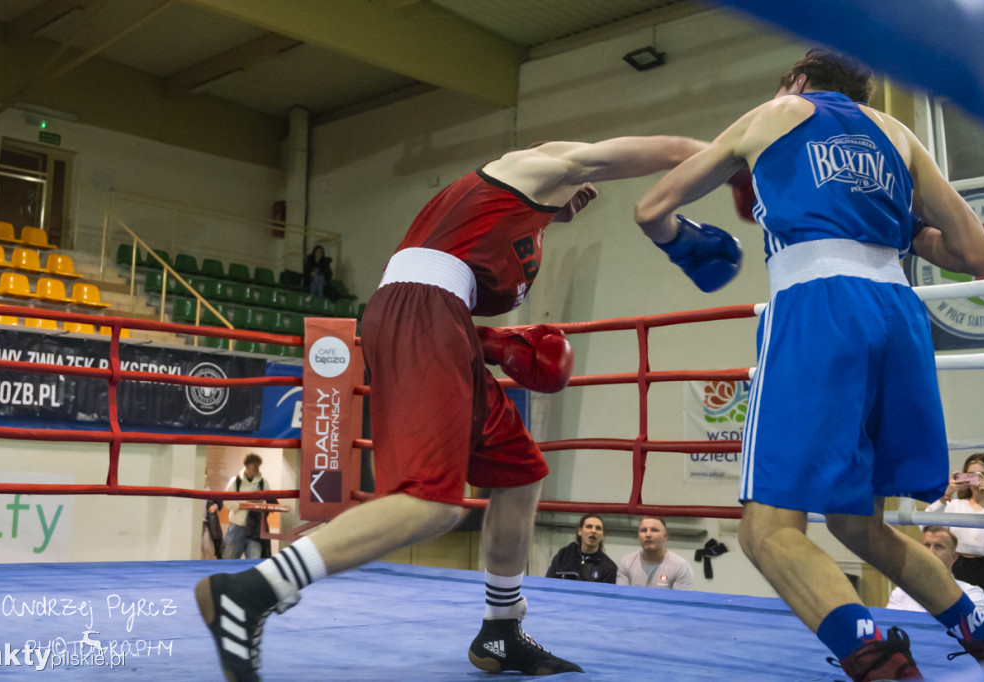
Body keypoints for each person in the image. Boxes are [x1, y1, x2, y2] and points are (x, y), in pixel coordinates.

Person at [196, 132, 708, 681]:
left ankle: (501, 628)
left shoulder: (521, 223)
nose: (585, 191)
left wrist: (495, 341)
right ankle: (253, 590)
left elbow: (459, 280)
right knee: (433, 504)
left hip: (444, 324)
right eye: (577, 184)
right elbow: (632, 152)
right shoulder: (530, 167)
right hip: (423, 314)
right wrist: (731, 157)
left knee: (520, 472)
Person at [633, 49, 984, 681]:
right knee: (860, 524)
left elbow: (651, 206)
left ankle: (876, 657)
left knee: (765, 532)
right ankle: (977, 627)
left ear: (798, 82)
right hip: (900, 318)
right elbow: (972, 251)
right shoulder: (897, 134)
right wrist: (904, 230)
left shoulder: (777, 111)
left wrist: (688, 244)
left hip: (819, 306)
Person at [926, 453, 984, 594]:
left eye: (983, 474)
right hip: (958, 566)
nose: (977, 480)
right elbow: (926, 527)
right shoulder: (955, 505)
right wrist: (945, 496)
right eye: (971, 475)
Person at [887, 526, 984, 612]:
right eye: (926, 545)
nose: (931, 552)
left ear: (954, 557)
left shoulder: (972, 595)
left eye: (939, 547)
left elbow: (973, 633)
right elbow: (890, 628)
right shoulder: (901, 593)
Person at [615, 516, 693, 589]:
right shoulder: (626, 562)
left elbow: (681, 602)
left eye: (654, 530)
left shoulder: (681, 567)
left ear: (665, 537)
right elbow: (621, 598)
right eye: (643, 530)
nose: (648, 535)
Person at [222, 453, 269, 560]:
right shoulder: (235, 482)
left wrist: (259, 504)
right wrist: (245, 504)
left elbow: (268, 503)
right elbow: (226, 502)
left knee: (254, 562)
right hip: (237, 526)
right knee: (229, 560)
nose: (257, 469)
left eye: (258, 466)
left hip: (255, 527)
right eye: (254, 466)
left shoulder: (263, 483)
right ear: (247, 466)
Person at [545, 514, 617, 583]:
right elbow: (548, 583)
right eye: (589, 526)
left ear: (602, 535)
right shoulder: (563, 556)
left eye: (598, 528)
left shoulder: (609, 568)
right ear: (580, 531)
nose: (593, 531)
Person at [204, 495, 224, 560]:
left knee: (208, 551)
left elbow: (219, 501)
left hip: (206, 525)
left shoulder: (208, 492)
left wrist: (215, 506)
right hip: (196, 524)